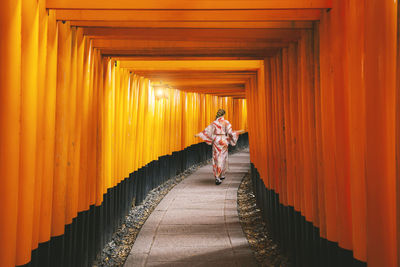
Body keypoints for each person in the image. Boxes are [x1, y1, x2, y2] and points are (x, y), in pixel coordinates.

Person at [195, 109, 244, 185]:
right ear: (224, 114)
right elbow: (230, 133)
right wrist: (238, 132)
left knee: (216, 157)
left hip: (216, 141)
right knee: (223, 157)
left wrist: (199, 134)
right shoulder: (226, 122)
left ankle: (217, 176)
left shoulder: (214, 123)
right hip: (223, 140)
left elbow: (207, 131)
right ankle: (221, 175)